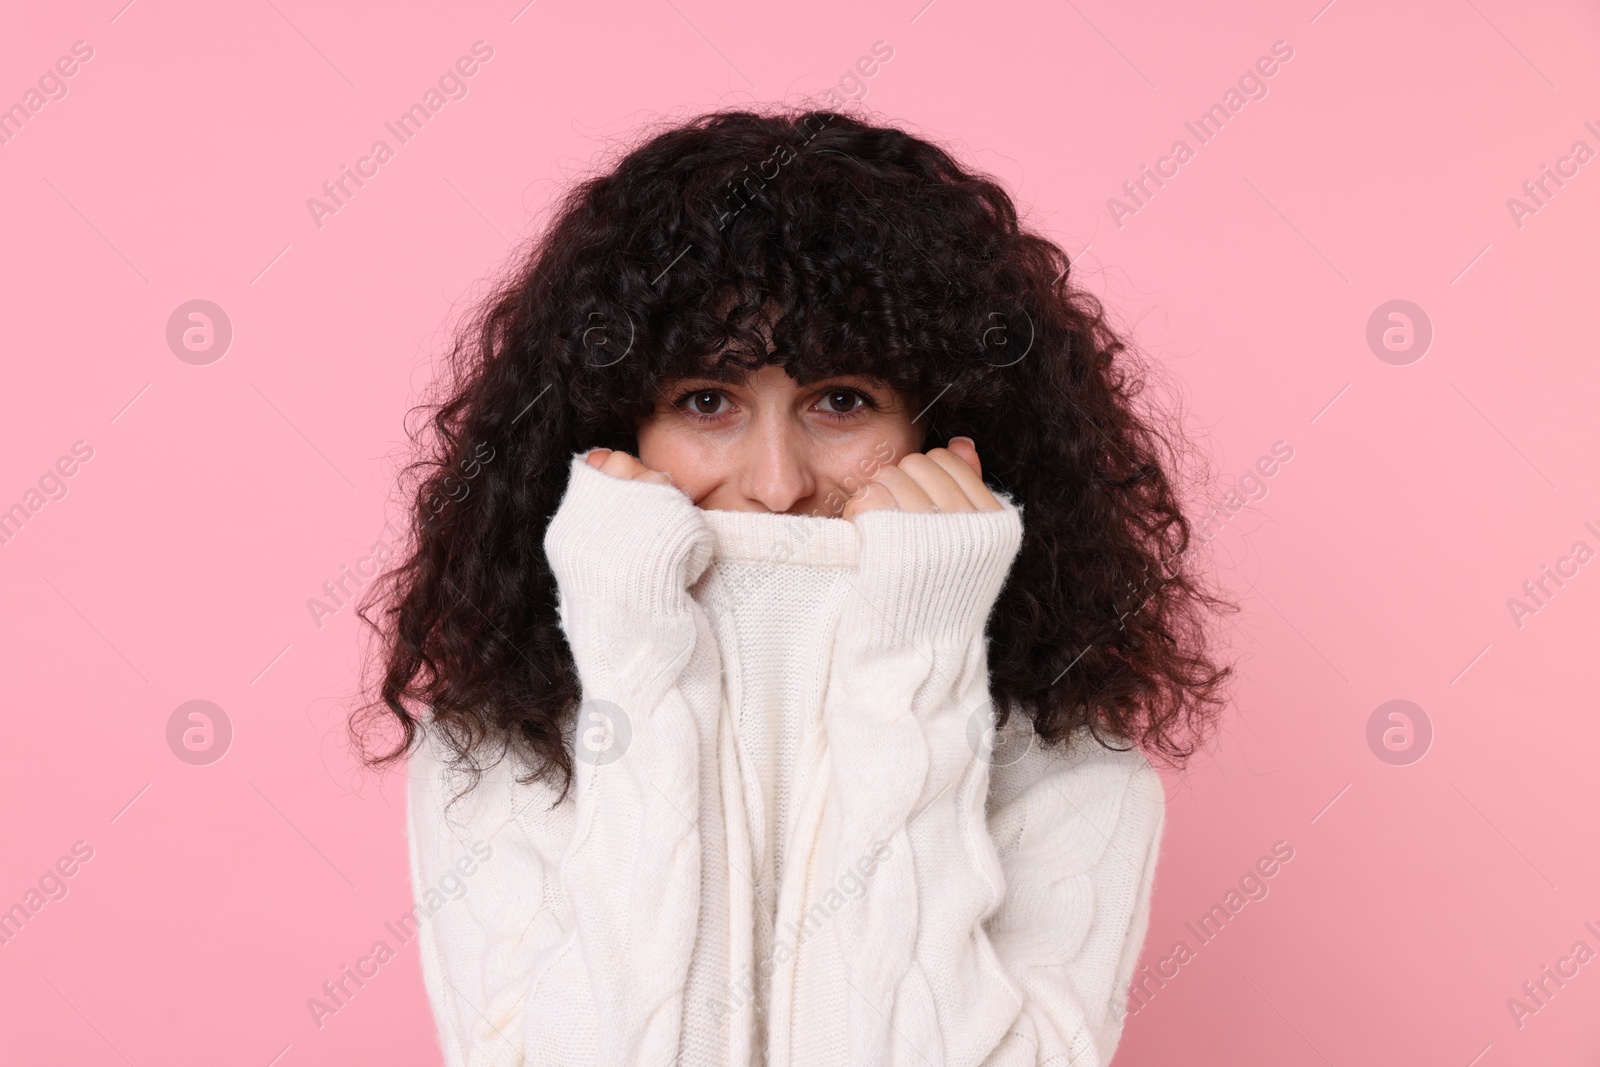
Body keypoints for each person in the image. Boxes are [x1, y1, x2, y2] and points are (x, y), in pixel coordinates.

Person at [352, 106, 1233, 1066]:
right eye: (706, 401)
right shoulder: (498, 755)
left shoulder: (1071, 772)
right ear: (611, 429)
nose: (778, 485)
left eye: (842, 402)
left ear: (948, 428)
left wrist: (912, 663)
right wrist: (641, 665)